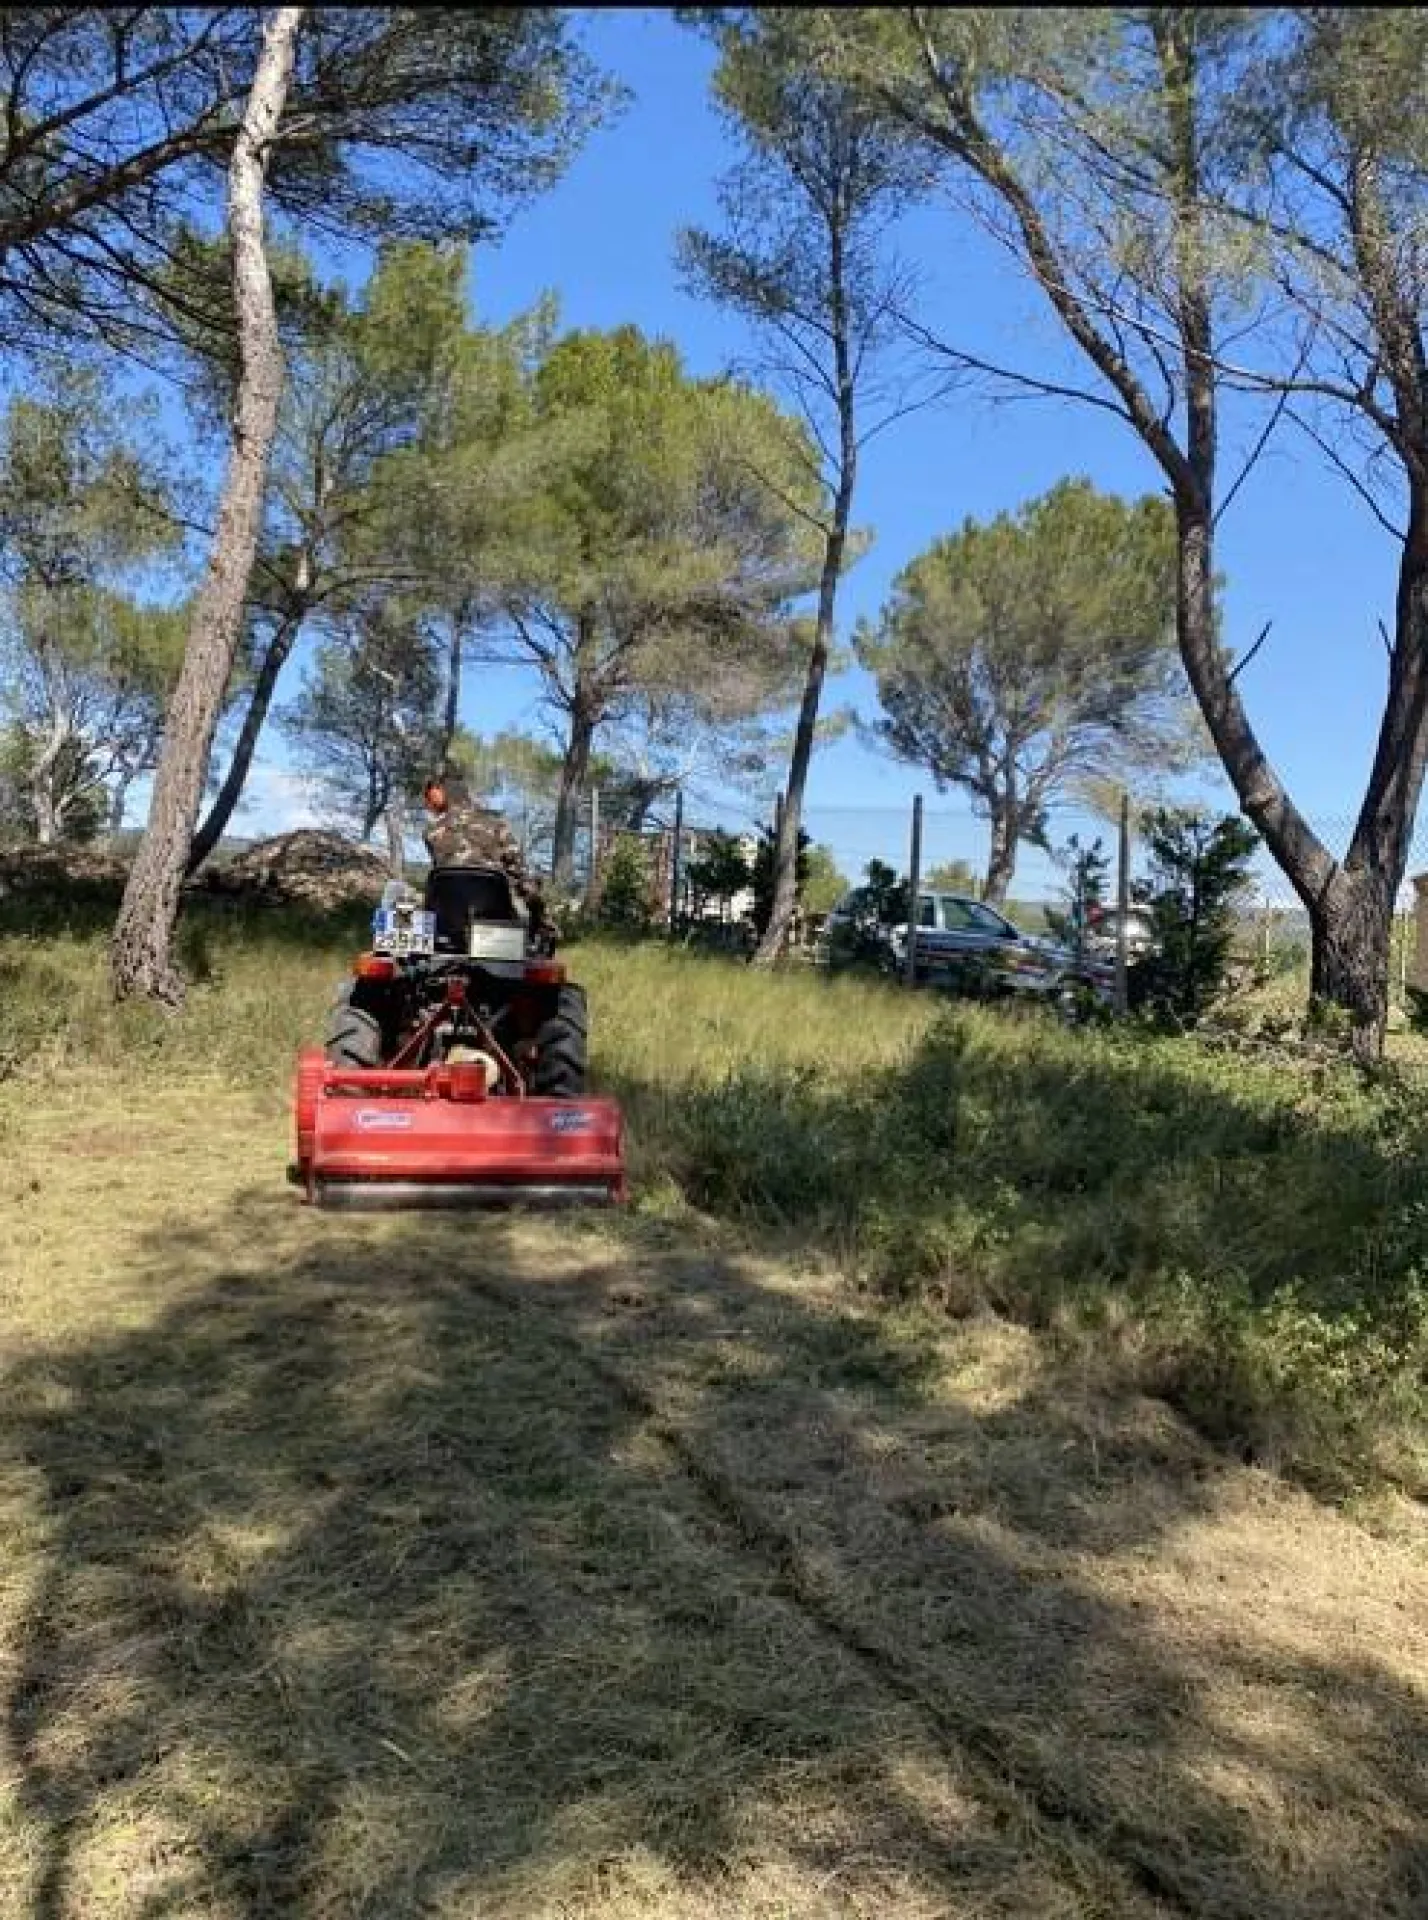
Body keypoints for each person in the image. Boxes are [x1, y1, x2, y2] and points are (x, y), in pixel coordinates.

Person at [421, 777, 552, 944]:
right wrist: (542, 920)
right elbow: (519, 874)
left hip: (447, 922)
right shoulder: (497, 825)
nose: (428, 804)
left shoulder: (431, 832)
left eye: (430, 797)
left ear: (445, 795)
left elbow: (444, 873)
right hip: (495, 920)